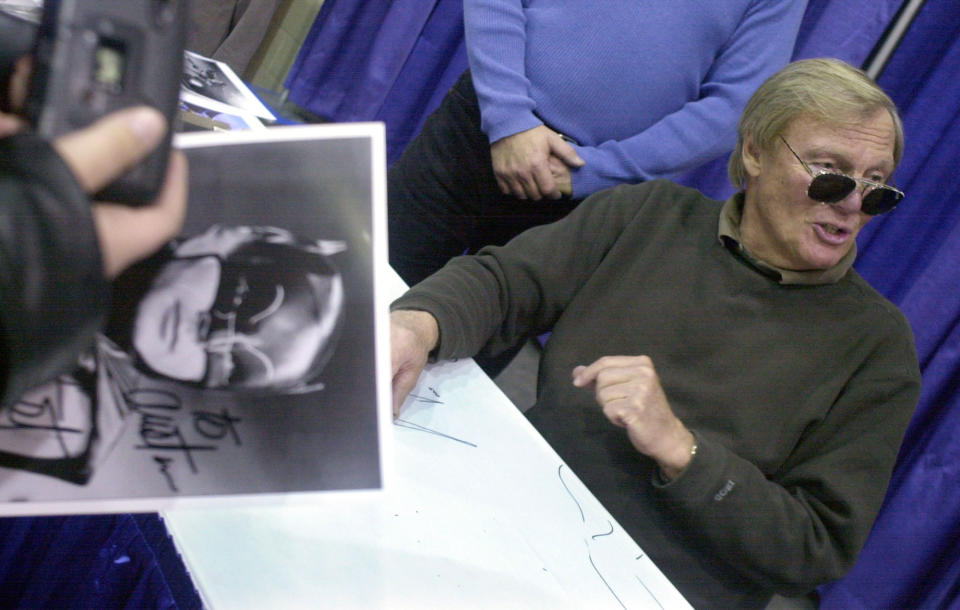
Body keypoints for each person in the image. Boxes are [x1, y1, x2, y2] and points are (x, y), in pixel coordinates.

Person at [389, 58, 922, 608]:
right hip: (508, 517)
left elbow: (817, 547)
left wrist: (683, 452)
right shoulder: (649, 214)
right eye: (830, 172)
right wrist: (419, 322)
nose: (853, 204)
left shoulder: (877, 347)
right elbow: (505, 283)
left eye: (877, 186)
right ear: (756, 151)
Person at [388, 0, 810, 286]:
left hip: (587, 196)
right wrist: (510, 119)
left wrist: (595, 171)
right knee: (359, 286)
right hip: (478, 131)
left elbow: (736, 104)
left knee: (466, 368)